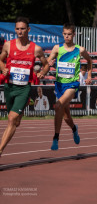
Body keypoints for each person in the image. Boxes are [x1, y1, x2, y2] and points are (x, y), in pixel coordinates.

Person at [0, 17, 49, 157]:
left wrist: (42, 73)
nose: (19, 31)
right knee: (14, 120)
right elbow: (0, 59)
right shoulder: (8, 45)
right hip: (9, 86)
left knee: (11, 119)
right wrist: (3, 68)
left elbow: (46, 65)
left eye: (22, 29)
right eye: (17, 29)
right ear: (15, 29)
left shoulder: (36, 49)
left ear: (28, 29)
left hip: (24, 88)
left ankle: (0, 149)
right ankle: (20, 112)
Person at [47, 23, 92, 150]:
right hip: (60, 84)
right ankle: (74, 129)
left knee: (58, 106)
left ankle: (56, 137)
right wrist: (49, 63)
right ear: (63, 34)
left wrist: (89, 76)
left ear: (74, 34)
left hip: (73, 84)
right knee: (66, 116)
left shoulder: (80, 49)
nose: (67, 37)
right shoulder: (57, 48)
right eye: (65, 34)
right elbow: (48, 61)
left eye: (69, 34)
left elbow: (89, 61)